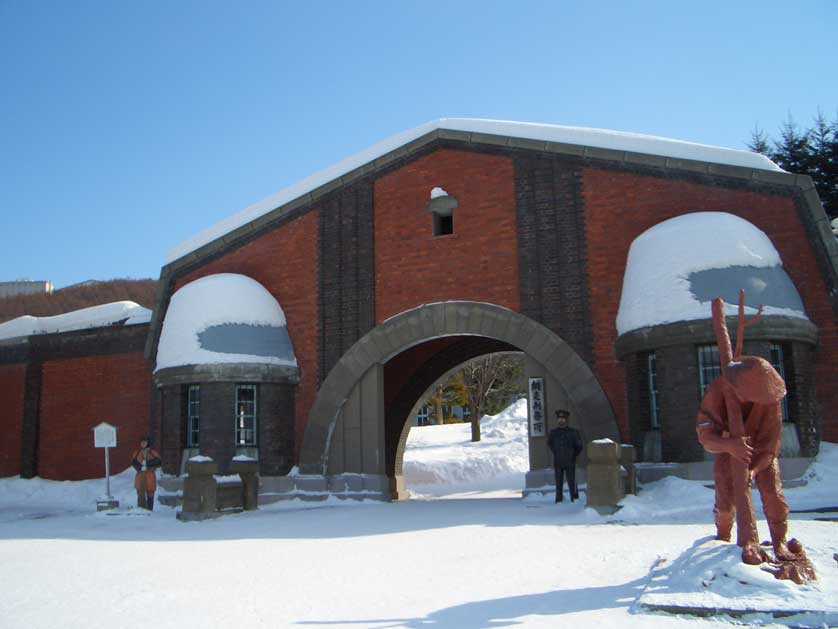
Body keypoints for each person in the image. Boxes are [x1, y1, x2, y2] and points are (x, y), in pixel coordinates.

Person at [547, 409, 583, 503]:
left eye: (563, 419)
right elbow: (550, 444)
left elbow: (579, 446)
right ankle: (558, 499)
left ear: (566, 420)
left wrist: (573, 455)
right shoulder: (554, 433)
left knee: (572, 480)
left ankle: (573, 498)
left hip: (570, 460)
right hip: (558, 460)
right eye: (559, 418)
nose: (561, 420)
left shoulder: (573, 432)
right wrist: (556, 452)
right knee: (558, 482)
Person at [132, 436, 161, 510]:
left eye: (145, 442)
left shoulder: (152, 452)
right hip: (140, 474)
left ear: (148, 443)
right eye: (142, 442)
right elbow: (134, 463)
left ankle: (150, 509)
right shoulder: (137, 452)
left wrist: (147, 463)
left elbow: (158, 461)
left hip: (150, 474)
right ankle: (140, 507)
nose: (143, 444)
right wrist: (140, 467)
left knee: (150, 492)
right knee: (140, 491)